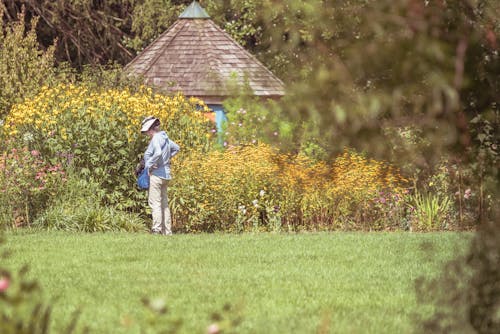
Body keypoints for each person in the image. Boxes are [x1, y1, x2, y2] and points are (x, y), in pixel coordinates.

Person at [141, 116, 180, 235]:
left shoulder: (156, 138)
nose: (146, 133)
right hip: (166, 175)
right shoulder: (165, 137)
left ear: (149, 129)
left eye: (146, 131)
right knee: (164, 204)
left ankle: (156, 229)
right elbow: (177, 148)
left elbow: (157, 152)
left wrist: (150, 164)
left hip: (157, 175)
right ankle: (167, 231)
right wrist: (166, 160)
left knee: (155, 203)